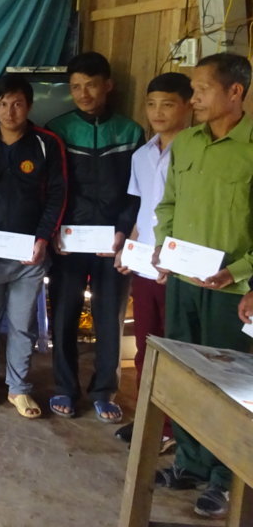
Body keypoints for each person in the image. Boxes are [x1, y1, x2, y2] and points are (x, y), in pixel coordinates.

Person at [152, 54, 253, 519]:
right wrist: (163, 244)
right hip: (184, 282)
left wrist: (242, 274)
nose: (193, 99)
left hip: (231, 292)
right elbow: (168, 204)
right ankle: (190, 462)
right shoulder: (188, 143)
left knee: (228, 386)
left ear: (235, 92)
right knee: (185, 378)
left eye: (202, 89)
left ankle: (225, 477)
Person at [46, 51, 142, 421]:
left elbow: (136, 190)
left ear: (108, 85)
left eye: (90, 85)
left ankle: (105, 390)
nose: (83, 94)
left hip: (112, 244)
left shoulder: (130, 132)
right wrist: (54, 230)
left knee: (109, 317)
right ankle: (64, 387)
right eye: (75, 87)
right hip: (68, 242)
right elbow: (52, 188)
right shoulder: (57, 129)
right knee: (64, 315)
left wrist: (123, 232)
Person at [0, 74, 66, 419]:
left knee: (23, 324)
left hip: (29, 255)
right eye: (3, 104)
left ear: (30, 106)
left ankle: (18, 388)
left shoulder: (46, 143)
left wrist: (43, 238)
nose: (10, 111)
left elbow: (57, 194)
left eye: (18, 104)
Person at [112, 72, 191, 443]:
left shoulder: (194, 153)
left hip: (179, 268)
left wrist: (175, 259)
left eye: (168, 104)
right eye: (151, 104)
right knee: (146, 345)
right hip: (145, 265)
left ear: (189, 106)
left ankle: (176, 429)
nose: (158, 112)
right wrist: (128, 249)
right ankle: (149, 420)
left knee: (178, 350)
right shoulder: (142, 155)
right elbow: (142, 211)